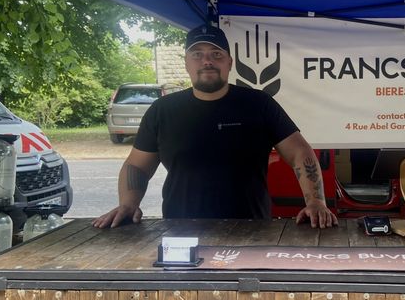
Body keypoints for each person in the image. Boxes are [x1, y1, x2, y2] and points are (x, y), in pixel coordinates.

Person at [93, 24, 337, 229]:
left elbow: (299, 152)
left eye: (216, 54)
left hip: (252, 230)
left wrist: (316, 202)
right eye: (197, 54)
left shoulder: (259, 104)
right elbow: (137, 165)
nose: (207, 61)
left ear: (230, 62)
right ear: (187, 63)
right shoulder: (162, 110)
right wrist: (128, 203)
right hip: (181, 231)